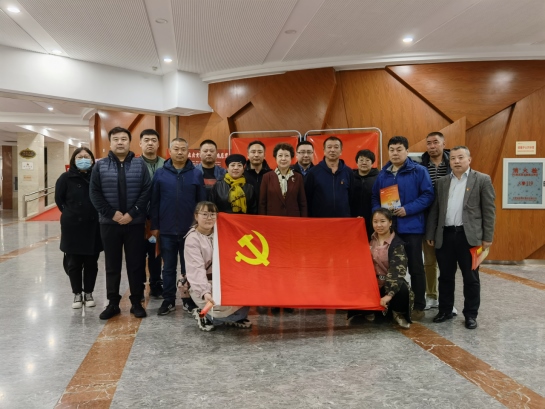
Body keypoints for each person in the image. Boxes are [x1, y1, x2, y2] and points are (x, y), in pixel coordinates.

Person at [426, 146, 496, 329]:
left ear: (469, 160)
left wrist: (487, 237)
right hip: (445, 236)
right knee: (445, 277)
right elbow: (435, 210)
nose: (456, 161)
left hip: (470, 237)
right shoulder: (442, 182)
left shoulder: (482, 180)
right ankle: (445, 310)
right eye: (453, 158)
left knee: (471, 278)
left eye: (460, 157)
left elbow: (489, 211)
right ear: (449, 161)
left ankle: (471, 315)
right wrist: (431, 233)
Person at [90, 127, 151, 320]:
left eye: (124, 139)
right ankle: (113, 303)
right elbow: (94, 193)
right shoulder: (100, 166)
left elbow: (146, 191)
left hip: (135, 223)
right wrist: (112, 214)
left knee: (136, 264)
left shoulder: (140, 164)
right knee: (112, 265)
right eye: (116, 139)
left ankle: (136, 302)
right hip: (109, 224)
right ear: (110, 143)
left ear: (129, 142)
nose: (120, 142)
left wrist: (132, 213)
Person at [371, 136, 434, 321]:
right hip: (389, 231)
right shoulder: (383, 174)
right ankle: (390, 304)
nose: (395, 153)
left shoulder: (419, 171)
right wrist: (381, 215)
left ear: (407, 151)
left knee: (415, 267)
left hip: (411, 227)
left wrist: (408, 209)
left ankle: (419, 306)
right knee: (388, 268)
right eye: (392, 150)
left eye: (399, 149)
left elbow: (428, 195)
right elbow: (374, 197)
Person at [150, 138, 207, 316]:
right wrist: (155, 226)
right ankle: (168, 300)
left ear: (188, 152)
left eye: (183, 149)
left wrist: (200, 226)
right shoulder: (160, 173)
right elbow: (154, 202)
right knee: (168, 267)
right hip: (166, 230)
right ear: (170, 151)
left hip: (190, 231)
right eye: (176, 149)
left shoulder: (196, 174)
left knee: (188, 268)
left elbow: (202, 203)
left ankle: (188, 300)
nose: (180, 152)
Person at [184, 201, 251, 331]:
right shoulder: (192, 239)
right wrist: (205, 292)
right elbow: (196, 270)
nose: (209, 218)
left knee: (246, 298)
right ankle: (203, 314)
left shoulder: (223, 232)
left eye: (212, 214)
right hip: (205, 283)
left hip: (224, 281)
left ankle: (231, 316)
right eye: (205, 214)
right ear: (196, 216)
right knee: (217, 304)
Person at [259, 142, 307, 314]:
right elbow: (262, 203)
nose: (283, 158)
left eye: (287, 155)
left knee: (290, 264)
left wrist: (303, 226)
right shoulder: (267, 177)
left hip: (293, 229)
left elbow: (302, 203)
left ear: (292, 158)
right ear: (275, 158)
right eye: (280, 155)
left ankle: (288, 299)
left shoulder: (298, 178)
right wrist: (263, 226)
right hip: (272, 229)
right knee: (273, 264)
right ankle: (272, 298)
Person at [55, 147, 103, 309]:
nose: (83, 160)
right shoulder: (65, 177)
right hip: (72, 226)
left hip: (93, 225)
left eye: (86, 157)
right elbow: (59, 199)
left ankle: (88, 292)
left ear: (92, 160)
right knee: (74, 263)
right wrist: (71, 213)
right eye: (79, 157)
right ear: (74, 160)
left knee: (91, 262)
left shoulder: (97, 176)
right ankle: (77, 293)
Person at [421, 132, 451, 311]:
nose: (432, 146)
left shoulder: (453, 164)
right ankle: (431, 295)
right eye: (429, 143)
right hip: (428, 220)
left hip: (450, 220)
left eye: (436, 142)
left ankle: (448, 300)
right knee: (430, 261)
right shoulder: (421, 166)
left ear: (443, 144)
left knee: (448, 263)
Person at [369, 208, 414, 329]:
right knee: (380, 322)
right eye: (375, 221)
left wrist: (389, 295)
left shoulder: (397, 244)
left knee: (403, 290)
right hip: (374, 285)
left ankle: (398, 312)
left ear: (390, 222)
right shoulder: (369, 240)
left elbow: (397, 272)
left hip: (390, 283)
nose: (379, 225)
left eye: (382, 221)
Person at [139, 129, 165, 298]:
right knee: (138, 254)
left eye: (153, 140)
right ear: (140, 143)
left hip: (159, 218)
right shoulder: (134, 164)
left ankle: (156, 284)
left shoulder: (166, 164)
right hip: (138, 218)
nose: (150, 143)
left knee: (156, 253)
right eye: (146, 140)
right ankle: (139, 286)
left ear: (158, 144)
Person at [305, 136, 354, 217]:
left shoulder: (348, 172)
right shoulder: (313, 172)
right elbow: (308, 198)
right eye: (329, 147)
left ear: (341, 151)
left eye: (336, 147)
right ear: (324, 150)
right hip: (320, 219)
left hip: (343, 219)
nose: (332, 150)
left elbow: (352, 197)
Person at [351, 149, 379, 241]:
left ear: (372, 163)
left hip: (373, 218)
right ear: (356, 162)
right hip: (353, 218)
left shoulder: (379, 178)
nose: (364, 163)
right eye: (361, 160)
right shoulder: (350, 177)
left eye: (367, 160)